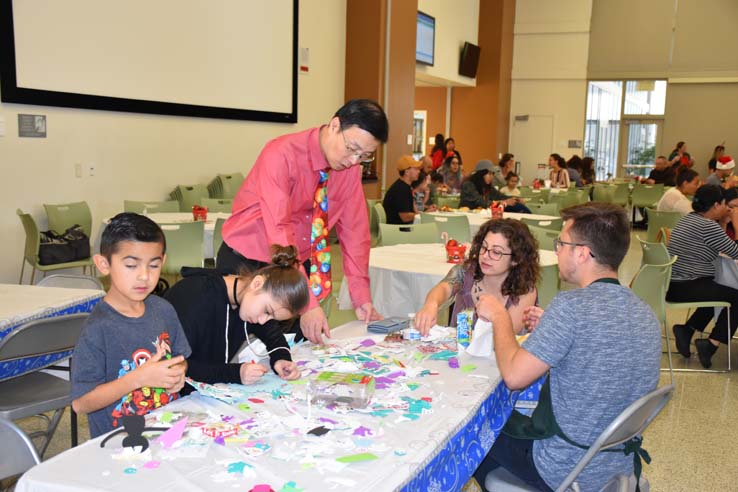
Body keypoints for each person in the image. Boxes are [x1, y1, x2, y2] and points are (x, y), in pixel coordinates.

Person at [473, 203, 661, 491]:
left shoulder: (571, 308)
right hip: (615, 465)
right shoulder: (643, 312)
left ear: (582, 253)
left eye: (561, 243)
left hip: (564, 467)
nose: (557, 250)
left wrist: (499, 315)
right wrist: (553, 328)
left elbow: (513, 376)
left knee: (473, 427)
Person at [217, 99, 389, 344]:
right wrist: (308, 303)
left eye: (364, 156)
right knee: (233, 347)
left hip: (297, 266)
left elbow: (355, 231)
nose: (353, 160)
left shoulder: (350, 170)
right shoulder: (281, 153)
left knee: (294, 348)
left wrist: (362, 298)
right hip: (249, 260)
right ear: (334, 125)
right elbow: (280, 230)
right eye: (352, 148)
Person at [71, 213, 191, 438]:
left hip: (165, 431)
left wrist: (177, 374)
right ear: (103, 264)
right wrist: (138, 378)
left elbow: (181, 360)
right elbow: (81, 403)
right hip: (119, 444)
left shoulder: (164, 310)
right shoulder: (97, 328)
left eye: (153, 265)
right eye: (131, 265)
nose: (144, 276)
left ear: (163, 262)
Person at [164, 245, 310, 394]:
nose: (263, 320)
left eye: (272, 317)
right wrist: (235, 373)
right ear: (257, 283)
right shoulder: (197, 301)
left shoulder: (247, 296)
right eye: (267, 311)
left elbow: (272, 334)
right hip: (171, 393)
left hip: (204, 391)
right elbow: (178, 365)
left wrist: (281, 358)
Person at [415, 219, 539, 335]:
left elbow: (507, 336)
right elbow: (444, 288)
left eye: (496, 252)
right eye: (484, 247)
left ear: (516, 259)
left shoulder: (525, 290)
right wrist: (431, 304)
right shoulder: (467, 271)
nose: (485, 256)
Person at [667, 185, 738, 369]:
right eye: (725, 204)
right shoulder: (707, 226)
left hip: (673, 284)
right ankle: (711, 344)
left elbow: (719, 242)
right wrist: (736, 225)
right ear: (716, 205)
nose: (727, 209)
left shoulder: (690, 219)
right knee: (735, 296)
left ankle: (687, 330)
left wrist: (723, 223)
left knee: (718, 288)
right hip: (686, 286)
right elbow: (735, 251)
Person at [460, 160, 531, 213]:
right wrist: (503, 202)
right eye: (489, 174)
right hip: (469, 216)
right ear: (480, 174)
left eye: (492, 174)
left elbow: (500, 196)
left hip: (484, 215)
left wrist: (516, 199)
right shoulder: (468, 185)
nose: (492, 177)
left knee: (518, 206)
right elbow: (482, 203)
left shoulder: (487, 186)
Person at [383, 155, 421, 224]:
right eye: (416, 169)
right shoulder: (401, 190)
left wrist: (424, 212)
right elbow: (405, 217)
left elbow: (412, 209)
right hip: (398, 230)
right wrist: (423, 215)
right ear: (407, 172)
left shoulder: (404, 186)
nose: (419, 171)